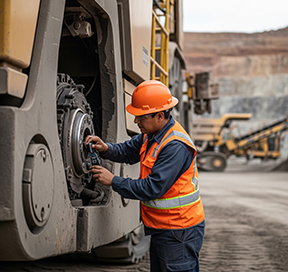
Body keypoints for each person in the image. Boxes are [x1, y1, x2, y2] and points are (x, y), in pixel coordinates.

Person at [85, 80, 205, 272]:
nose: (136, 121)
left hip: (179, 230)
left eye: (141, 117)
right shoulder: (152, 134)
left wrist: (113, 181)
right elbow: (128, 150)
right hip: (164, 227)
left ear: (159, 116)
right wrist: (105, 148)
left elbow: (152, 188)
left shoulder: (174, 146)